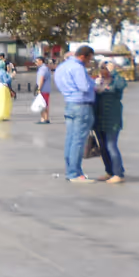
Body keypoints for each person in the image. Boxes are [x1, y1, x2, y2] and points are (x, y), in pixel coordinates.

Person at [54, 46, 97, 183]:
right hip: (82, 104)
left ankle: (70, 170)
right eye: (89, 59)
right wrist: (94, 84)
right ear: (84, 56)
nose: (89, 63)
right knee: (79, 140)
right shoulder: (78, 68)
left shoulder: (62, 67)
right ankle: (74, 173)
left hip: (70, 103)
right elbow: (84, 86)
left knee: (71, 139)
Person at [93, 60, 126, 184]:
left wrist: (114, 72)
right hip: (99, 119)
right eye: (102, 67)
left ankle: (118, 173)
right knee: (103, 147)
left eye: (106, 68)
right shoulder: (98, 81)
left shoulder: (117, 81)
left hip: (112, 119)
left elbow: (120, 85)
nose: (103, 70)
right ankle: (110, 171)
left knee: (111, 146)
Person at [35, 57, 52, 124]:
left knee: (43, 104)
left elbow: (41, 79)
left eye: (37, 61)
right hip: (45, 89)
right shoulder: (44, 68)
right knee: (43, 103)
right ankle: (44, 118)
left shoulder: (43, 69)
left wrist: (39, 88)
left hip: (43, 89)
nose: (35, 63)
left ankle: (45, 118)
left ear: (41, 61)